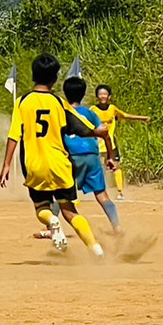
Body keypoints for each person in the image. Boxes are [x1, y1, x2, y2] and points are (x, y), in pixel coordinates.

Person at [0, 54, 110, 258]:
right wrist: (97, 132)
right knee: (70, 211)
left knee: (41, 208)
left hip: (34, 165)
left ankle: (51, 221)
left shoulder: (23, 102)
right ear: (55, 79)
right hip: (60, 164)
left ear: (33, 76)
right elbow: (79, 126)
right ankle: (96, 249)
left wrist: (6, 165)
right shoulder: (59, 103)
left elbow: (14, 135)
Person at [64, 77, 122, 235]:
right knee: (102, 195)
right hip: (92, 156)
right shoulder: (90, 113)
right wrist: (111, 157)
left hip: (72, 156)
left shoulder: (63, 113)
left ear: (65, 94)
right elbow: (106, 134)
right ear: (83, 95)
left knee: (61, 194)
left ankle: (51, 228)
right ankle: (117, 226)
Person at [93, 85, 150, 200]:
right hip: (96, 145)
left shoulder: (113, 109)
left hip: (111, 144)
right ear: (96, 96)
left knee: (116, 167)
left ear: (109, 96)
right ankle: (98, 193)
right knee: (99, 169)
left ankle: (120, 192)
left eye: (105, 94)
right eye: (100, 94)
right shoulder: (92, 110)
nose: (102, 96)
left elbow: (125, 116)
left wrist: (142, 118)